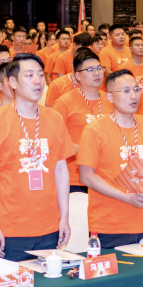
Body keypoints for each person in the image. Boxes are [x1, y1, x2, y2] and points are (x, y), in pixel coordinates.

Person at [0, 54, 74, 262]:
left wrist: (64, 218)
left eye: (40, 75)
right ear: (12, 82)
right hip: (9, 230)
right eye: (29, 75)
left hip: (49, 226)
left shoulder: (54, 119)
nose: (38, 81)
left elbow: (61, 171)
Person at [78, 70, 143, 248]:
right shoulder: (95, 130)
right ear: (109, 97)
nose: (133, 96)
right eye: (126, 91)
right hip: (108, 225)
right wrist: (126, 197)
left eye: (136, 89)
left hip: (141, 221)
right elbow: (86, 176)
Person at [53, 48, 113, 187]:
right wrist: (87, 149)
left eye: (99, 68)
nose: (97, 73)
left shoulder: (110, 99)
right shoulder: (64, 102)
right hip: (75, 178)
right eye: (90, 70)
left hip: (107, 175)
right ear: (78, 75)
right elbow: (54, 138)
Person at [122, 35, 143, 115]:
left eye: (142, 45)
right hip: (132, 105)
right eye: (137, 45)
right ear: (130, 49)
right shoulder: (125, 67)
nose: (141, 47)